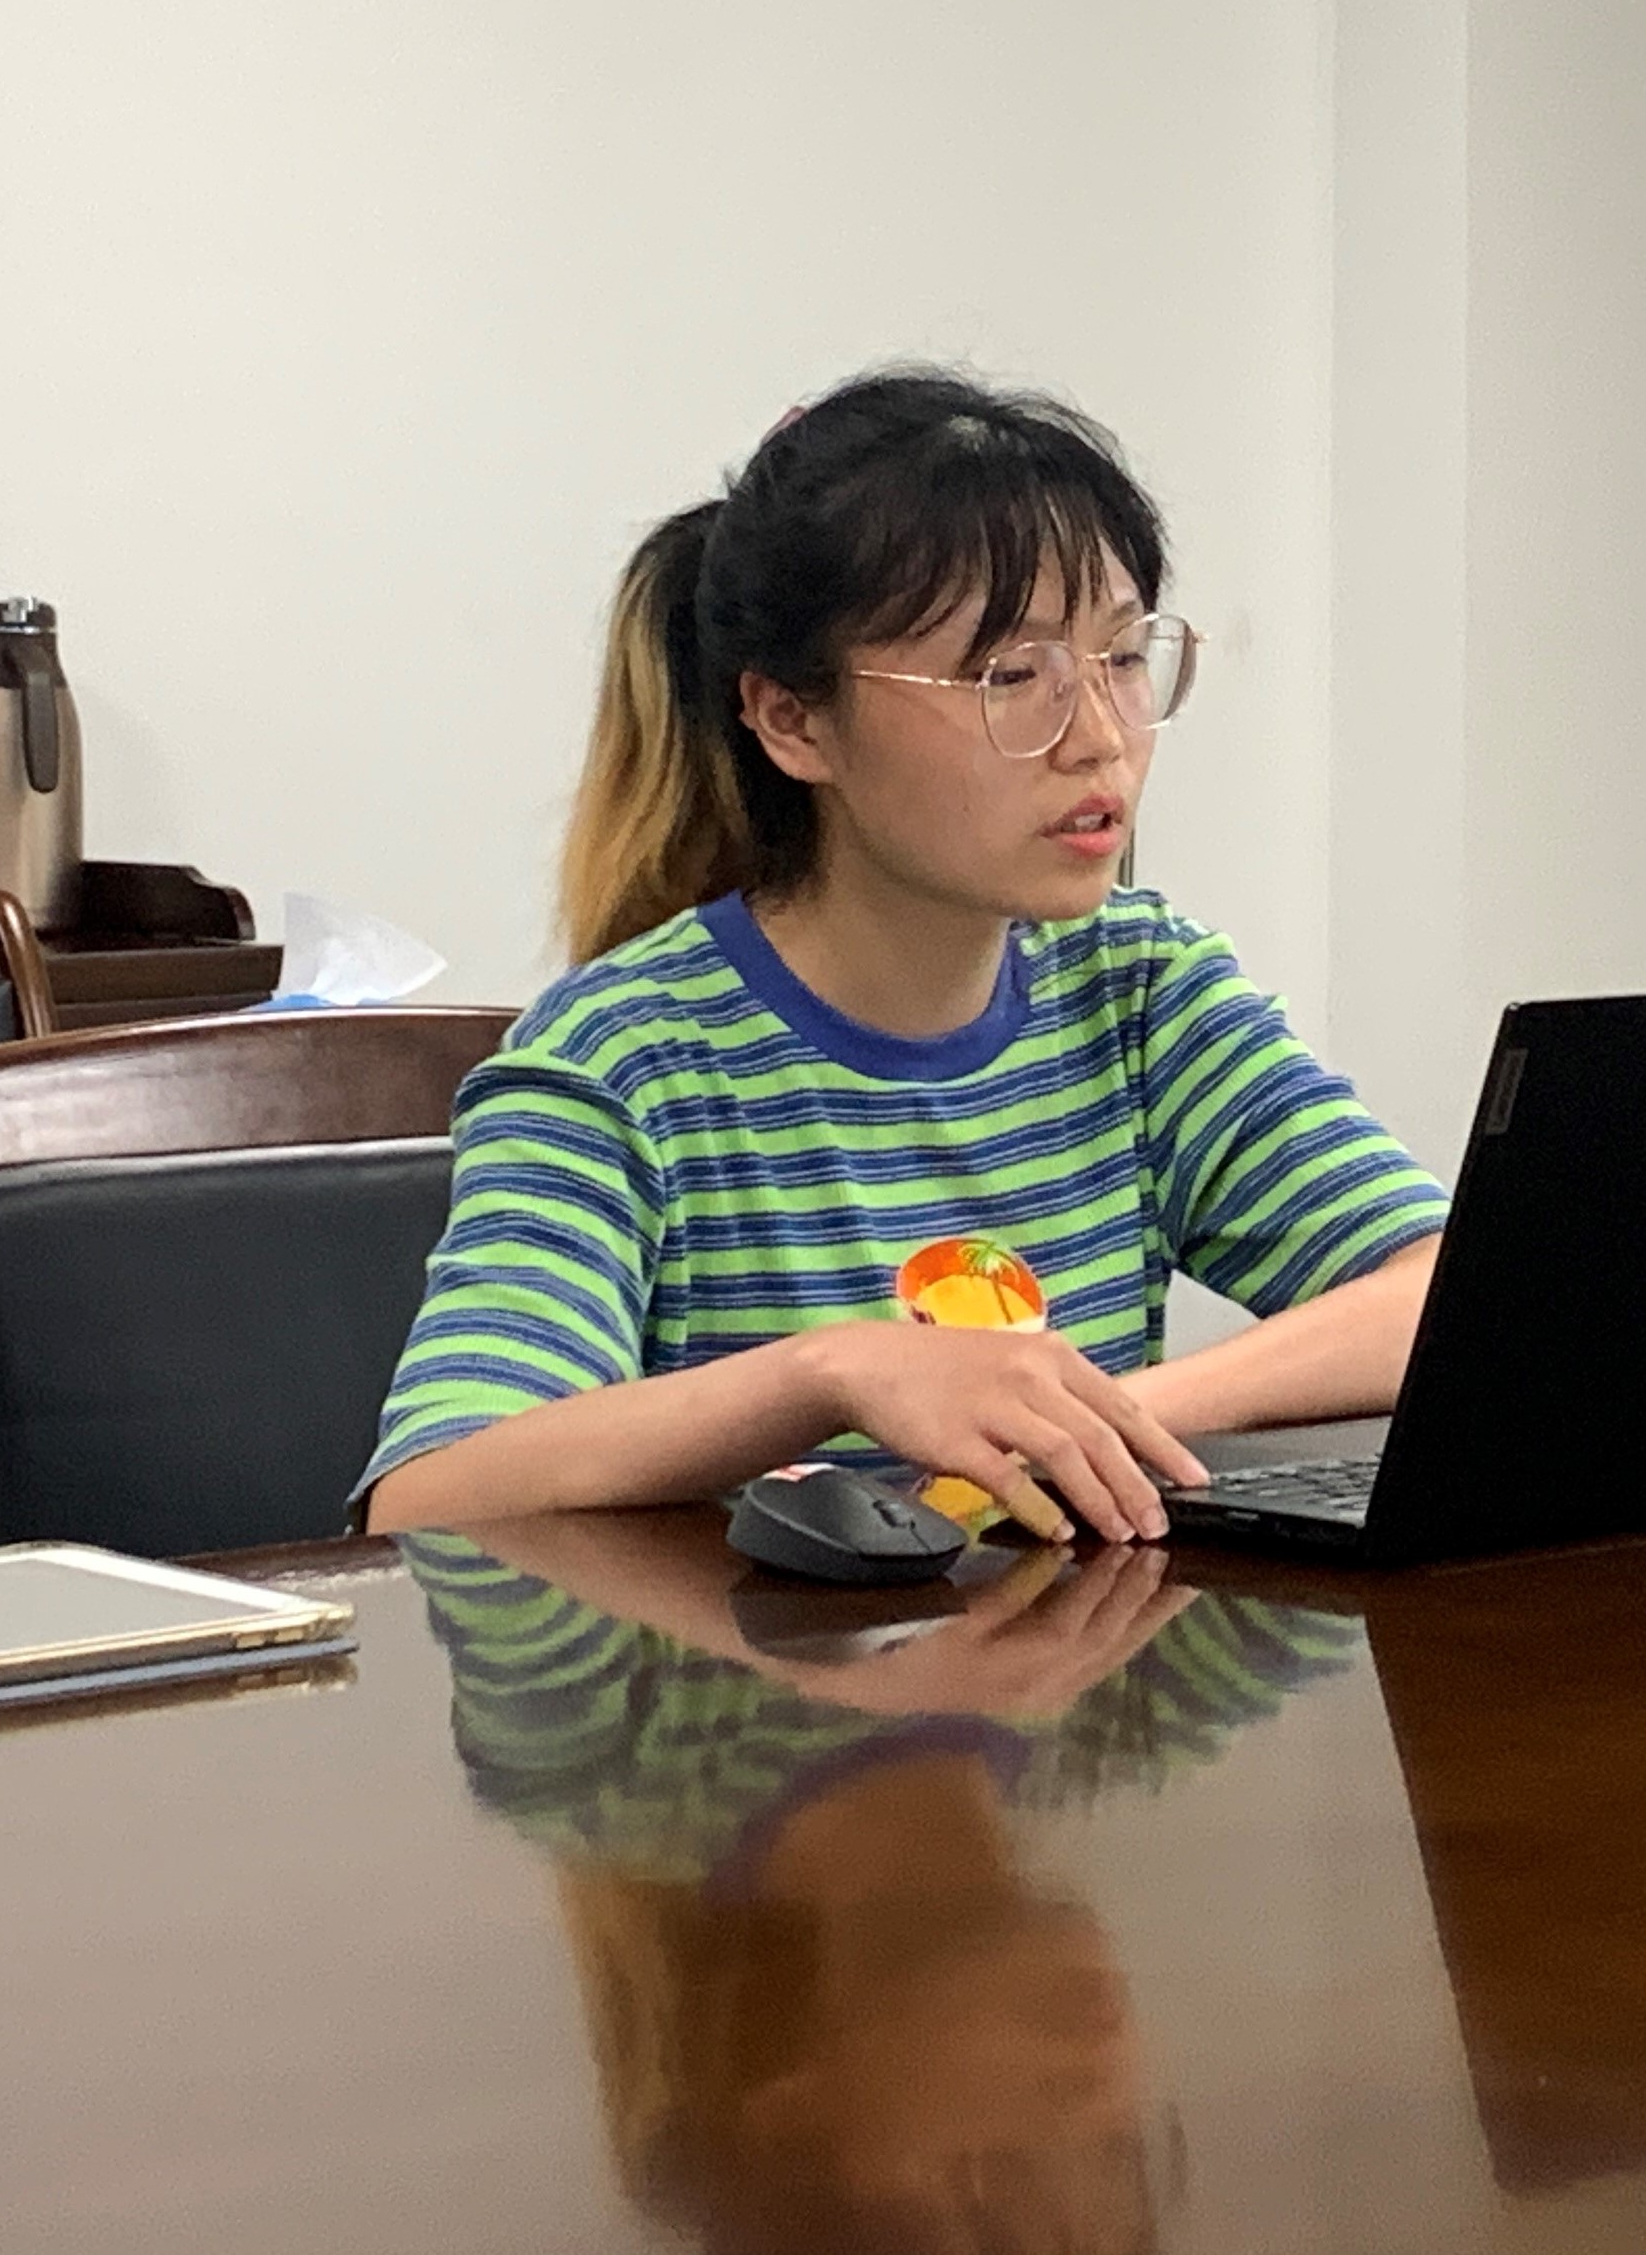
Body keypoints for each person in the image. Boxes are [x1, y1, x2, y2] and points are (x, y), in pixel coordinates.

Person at [359, 367, 1447, 1540]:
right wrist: (824, 1374)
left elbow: (1452, 1294)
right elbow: (433, 1489)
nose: (1098, 739)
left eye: (1124, 657)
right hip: (743, 1657)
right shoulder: (622, 1058)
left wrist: (1100, 1418)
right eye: (1009, 676)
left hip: (1069, 1646)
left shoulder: (1138, 990)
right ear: (794, 721)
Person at [407, 1507, 1367, 2251]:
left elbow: (462, 1507)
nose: (1095, 2097)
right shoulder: (1132, 1712)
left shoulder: (602, 1771)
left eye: (994, 2171)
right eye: (1120, 2153)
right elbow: (1374, 1502)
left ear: (792, 2119)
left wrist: (827, 1386)